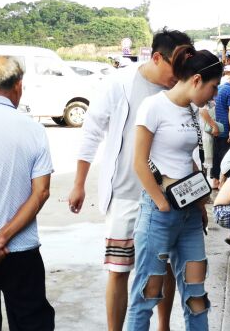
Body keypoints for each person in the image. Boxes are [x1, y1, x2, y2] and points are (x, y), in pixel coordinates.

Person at [68, 29, 190, 331]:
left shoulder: (181, 90)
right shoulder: (120, 84)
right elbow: (92, 131)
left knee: (162, 269)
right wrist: (79, 183)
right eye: (175, 68)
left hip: (167, 196)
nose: (179, 76)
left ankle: (163, 327)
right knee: (119, 269)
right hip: (126, 193)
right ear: (157, 57)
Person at [128, 46, 222, 330]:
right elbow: (139, 162)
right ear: (196, 80)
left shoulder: (193, 110)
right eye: (213, 87)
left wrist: (200, 201)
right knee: (148, 294)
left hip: (190, 216)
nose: (214, 94)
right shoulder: (153, 106)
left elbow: (186, 161)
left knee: (196, 295)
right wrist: (161, 203)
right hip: (160, 214)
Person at [0, 55, 55, 330]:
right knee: (31, 323)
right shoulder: (33, 130)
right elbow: (41, 192)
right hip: (20, 250)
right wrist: (2, 238)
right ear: (18, 86)